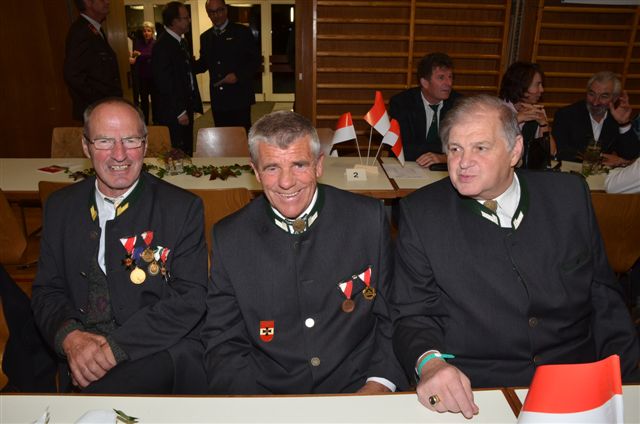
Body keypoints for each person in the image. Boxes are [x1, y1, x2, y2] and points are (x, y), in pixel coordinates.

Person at [392, 95, 639, 418]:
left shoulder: (568, 196)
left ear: (515, 151)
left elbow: (603, 296)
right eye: (455, 149)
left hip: (575, 378)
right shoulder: (422, 214)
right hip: (478, 388)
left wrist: (628, 382)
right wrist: (431, 363)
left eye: (480, 147)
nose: (463, 162)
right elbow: (413, 314)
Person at [202, 110, 407, 394]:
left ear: (319, 165)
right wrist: (250, 403)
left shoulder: (367, 219)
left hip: (358, 385)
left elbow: (393, 312)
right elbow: (223, 339)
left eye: (299, 165)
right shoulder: (230, 237)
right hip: (268, 392)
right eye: (272, 168)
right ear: (255, 171)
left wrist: (379, 383)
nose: (286, 182)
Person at [31, 97, 208, 394]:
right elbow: (46, 291)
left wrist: (113, 350)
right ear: (86, 146)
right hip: (82, 354)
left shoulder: (181, 208)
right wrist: (72, 339)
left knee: (97, 397)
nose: (119, 154)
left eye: (130, 140)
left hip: (156, 351)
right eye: (104, 141)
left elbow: (190, 298)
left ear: (145, 145)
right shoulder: (60, 207)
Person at [195, 0, 260, 132]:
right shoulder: (205, 37)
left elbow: (255, 61)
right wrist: (184, 64)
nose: (216, 15)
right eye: (212, 12)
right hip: (218, 98)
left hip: (239, 96)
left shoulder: (242, 32)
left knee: (241, 135)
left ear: (226, 10)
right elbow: (203, 64)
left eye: (219, 10)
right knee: (222, 135)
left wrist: (238, 75)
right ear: (208, 14)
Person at [389, 52, 462, 167]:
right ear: (425, 83)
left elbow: (465, 145)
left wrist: (444, 157)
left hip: (445, 168)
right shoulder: (402, 103)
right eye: (441, 77)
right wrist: (446, 150)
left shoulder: (459, 104)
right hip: (408, 166)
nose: (448, 83)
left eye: (450, 77)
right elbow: (401, 148)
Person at [553, 71, 639, 165]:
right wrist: (601, 159)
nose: (595, 102)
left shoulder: (615, 118)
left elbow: (631, 156)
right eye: (592, 94)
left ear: (614, 99)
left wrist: (624, 123)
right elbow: (562, 152)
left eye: (604, 96)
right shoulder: (566, 115)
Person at [152, 1, 203, 156]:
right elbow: (164, 82)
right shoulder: (162, 45)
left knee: (186, 148)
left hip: (185, 104)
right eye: (185, 18)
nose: (189, 20)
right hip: (174, 111)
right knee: (176, 152)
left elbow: (187, 70)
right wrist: (180, 111)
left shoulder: (181, 41)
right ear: (174, 21)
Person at [63, 0, 122, 121]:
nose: (107, 2)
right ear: (88, 2)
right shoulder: (81, 31)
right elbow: (73, 75)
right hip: (95, 112)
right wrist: (99, 102)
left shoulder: (94, 29)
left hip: (104, 109)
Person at [499, 61, 557, 168]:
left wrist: (543, 124)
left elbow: (551, 153)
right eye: (537, 84)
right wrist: (516, 120)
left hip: (526, 172)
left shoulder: (536, 111)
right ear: (521, 86)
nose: (542, 90)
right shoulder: (497, 109)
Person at [130, 22, 156, 125]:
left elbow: (153, 56)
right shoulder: (138, 43)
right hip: (142, 77)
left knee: (155, 101)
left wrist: (141, 55)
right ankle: (145, 123)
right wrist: (134, 58)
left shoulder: (155, 43)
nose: (146, 33)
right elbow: (136, 57)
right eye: (144, 31)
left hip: (153, 77)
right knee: (144, 102)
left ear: (152, 32)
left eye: (149, 31)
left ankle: (156, 122)